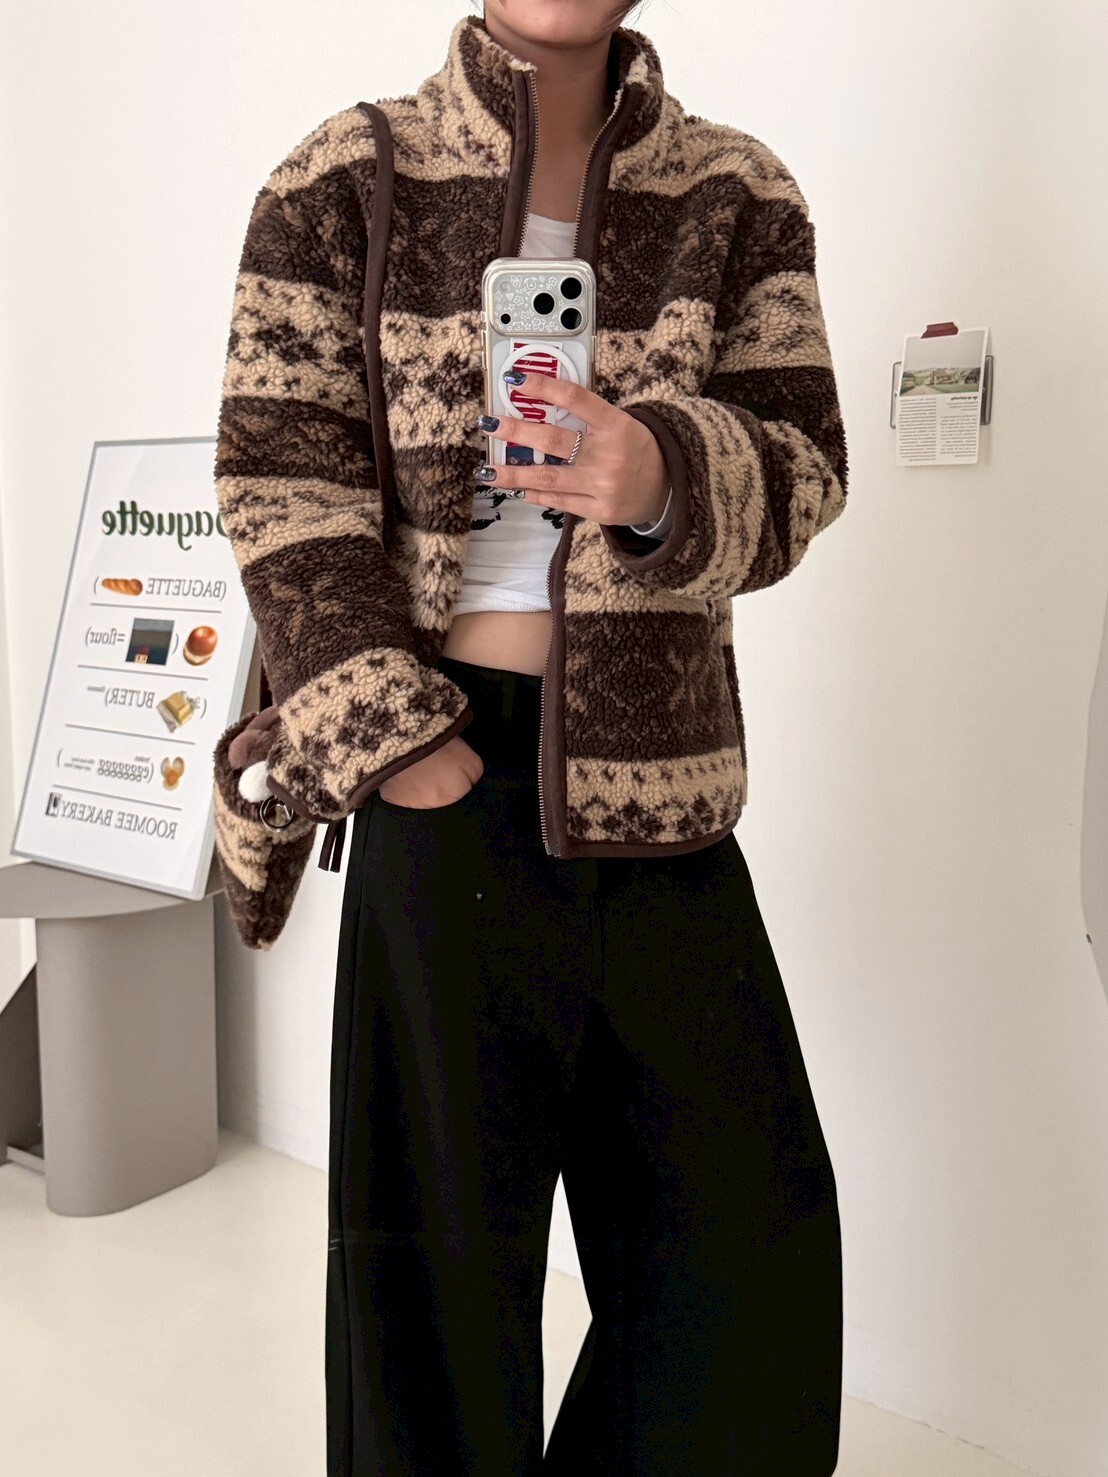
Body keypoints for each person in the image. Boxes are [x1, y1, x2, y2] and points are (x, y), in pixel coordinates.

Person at [212, 2, 850, 1471]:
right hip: (441, 769)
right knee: (429, 1308)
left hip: (666, 793)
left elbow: (806, 466)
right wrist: (394, 734)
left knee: (750, 1272)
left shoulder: (739, 194)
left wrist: (662, 470)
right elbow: (277, 471)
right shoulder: (341, 176)